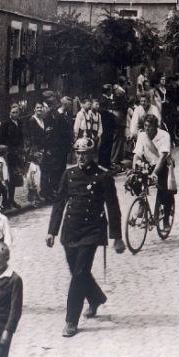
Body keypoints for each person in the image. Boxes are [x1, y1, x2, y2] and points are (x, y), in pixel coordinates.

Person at [46, 137, 125, 338]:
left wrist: (117, 236)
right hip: (71, 229)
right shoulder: (69, 173)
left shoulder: (103, 176)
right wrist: (52, 231)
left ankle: (71, 321)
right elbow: (59, 203)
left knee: (79, 275)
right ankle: (96, 298)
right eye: (78, 153)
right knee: (77, 272)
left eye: (85, 153)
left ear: (93, 154)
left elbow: (113, 207)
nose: (81, 157)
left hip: (92, 230)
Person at [132, 115, 175, 227]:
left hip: (162, 164)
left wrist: (154, 174)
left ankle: (166, 219)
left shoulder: (164, 136)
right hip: (147, 164)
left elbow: (162, 157)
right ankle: (142, 203)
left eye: (149, 126)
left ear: (156, 127)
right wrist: (134, 170)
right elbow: (137, 154)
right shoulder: (142, 136)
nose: (146, 128)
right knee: (134, 181)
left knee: (164, 191)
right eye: (145, 125)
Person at [0, 104, 25, 211]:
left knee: (14, 177)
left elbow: (21, 138)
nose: (14, 114)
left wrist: (21, 150)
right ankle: (5, 201)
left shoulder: (19, 123)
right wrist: (3, 154)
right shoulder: (5, 124)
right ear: (9, 112)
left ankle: (12, 199)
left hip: (16, 154)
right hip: (7, 154)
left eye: (16, 112)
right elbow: (1, 140)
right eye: (13, 112)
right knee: (6, 177)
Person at [26, 102, 52, 202]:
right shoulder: (32, 120)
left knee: (43, 171)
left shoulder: (42, 119)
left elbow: (42, 134)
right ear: (34, 109)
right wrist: (35, 150)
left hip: (43, 148)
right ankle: (34, 195)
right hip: (37, 149)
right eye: (37, 108)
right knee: (35, 172)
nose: (39, 110)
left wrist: (46, 132)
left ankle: (42, 193)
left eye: (41, 108)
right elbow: (32, 136)